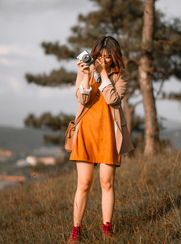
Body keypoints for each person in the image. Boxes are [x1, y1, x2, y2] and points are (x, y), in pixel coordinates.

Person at [67, 36, 134, 243]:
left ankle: (107, 229)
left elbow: (113, 99)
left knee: (107, 183)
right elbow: (82, 99)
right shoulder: (85, 70)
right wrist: (87, 75)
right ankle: (76, 230)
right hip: (86, 132)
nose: (103, 60)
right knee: (84, 184)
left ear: (114, 57)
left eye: (107, 57)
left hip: (108, 134)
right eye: (100, 56)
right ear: (94, 55)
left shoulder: (119, 76)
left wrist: (104, 73)